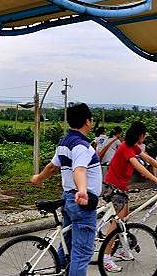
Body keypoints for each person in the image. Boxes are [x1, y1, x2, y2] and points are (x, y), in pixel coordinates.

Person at [30, 103, 100, 276]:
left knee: (67, 244)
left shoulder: (64, 142)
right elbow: (80, 169)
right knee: (81, 254)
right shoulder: (82, 146)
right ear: (87, 122)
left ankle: (58, 272)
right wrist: (82, 190)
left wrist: (39, 178)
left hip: (68, 199)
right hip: (81, 201)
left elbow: (53, 167)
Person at [101, 122, 157, 272]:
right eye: (144, 134)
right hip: (113, 187)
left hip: (121, 187)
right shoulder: (126, 147)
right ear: (140, 135)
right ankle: (105, 258)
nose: (145, 137)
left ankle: (119, 249)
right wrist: (156, 180)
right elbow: (139, 166)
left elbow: (149, 159)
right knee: (117, 222)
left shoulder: (133, 146)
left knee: (124, 219)